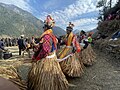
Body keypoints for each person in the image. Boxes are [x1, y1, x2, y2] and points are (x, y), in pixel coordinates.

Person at [28, 15, 68, 90]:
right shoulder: (52, 35)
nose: (43, 29)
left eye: (44, 27)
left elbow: (46, 50)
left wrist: (37, 56)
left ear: (46, 27)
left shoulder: (46, 36)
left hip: (47, 59)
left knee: (43, 80)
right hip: (53, 58)